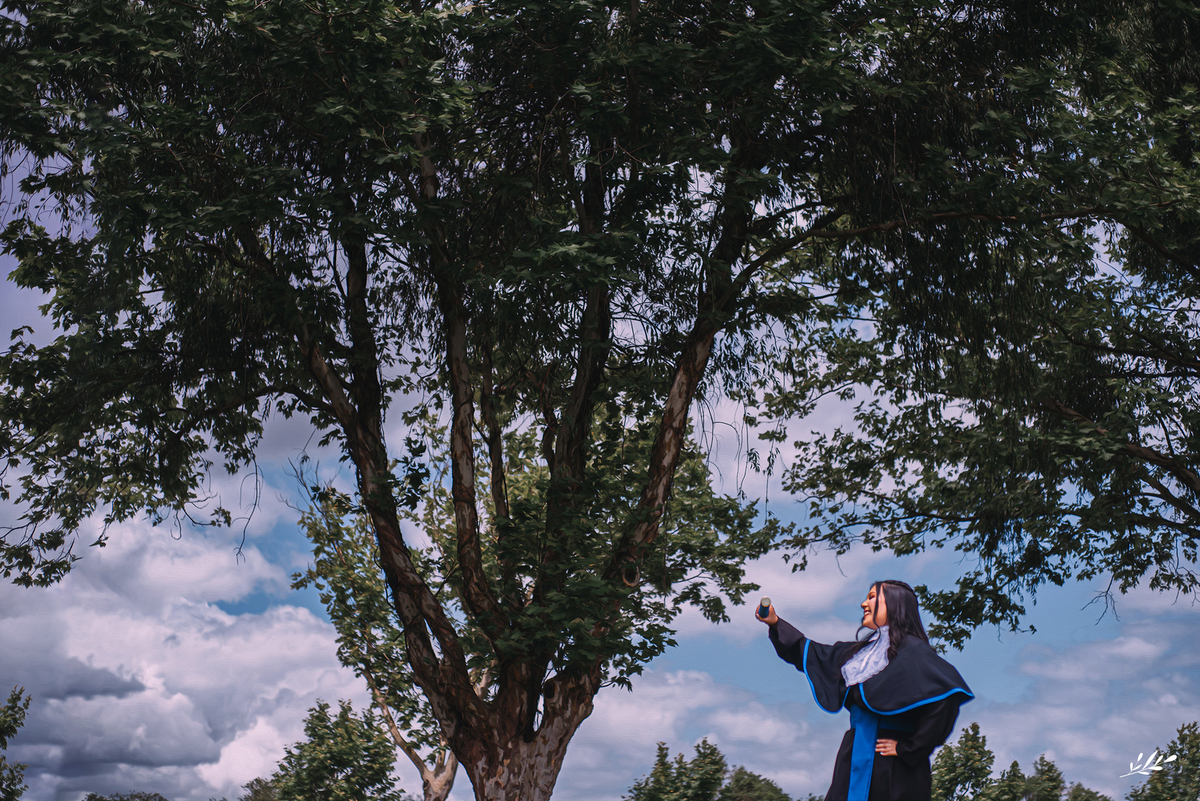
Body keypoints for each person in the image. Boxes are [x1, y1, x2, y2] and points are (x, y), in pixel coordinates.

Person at [757, 580, 972, 801]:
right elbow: (810, 654)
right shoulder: (858, 654)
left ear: (895, 603)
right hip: (853, 755)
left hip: (892, 763)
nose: (863, 604)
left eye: (871, 597)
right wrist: (776, 624)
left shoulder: (915, 652)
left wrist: (910, 748)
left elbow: (947, 698)